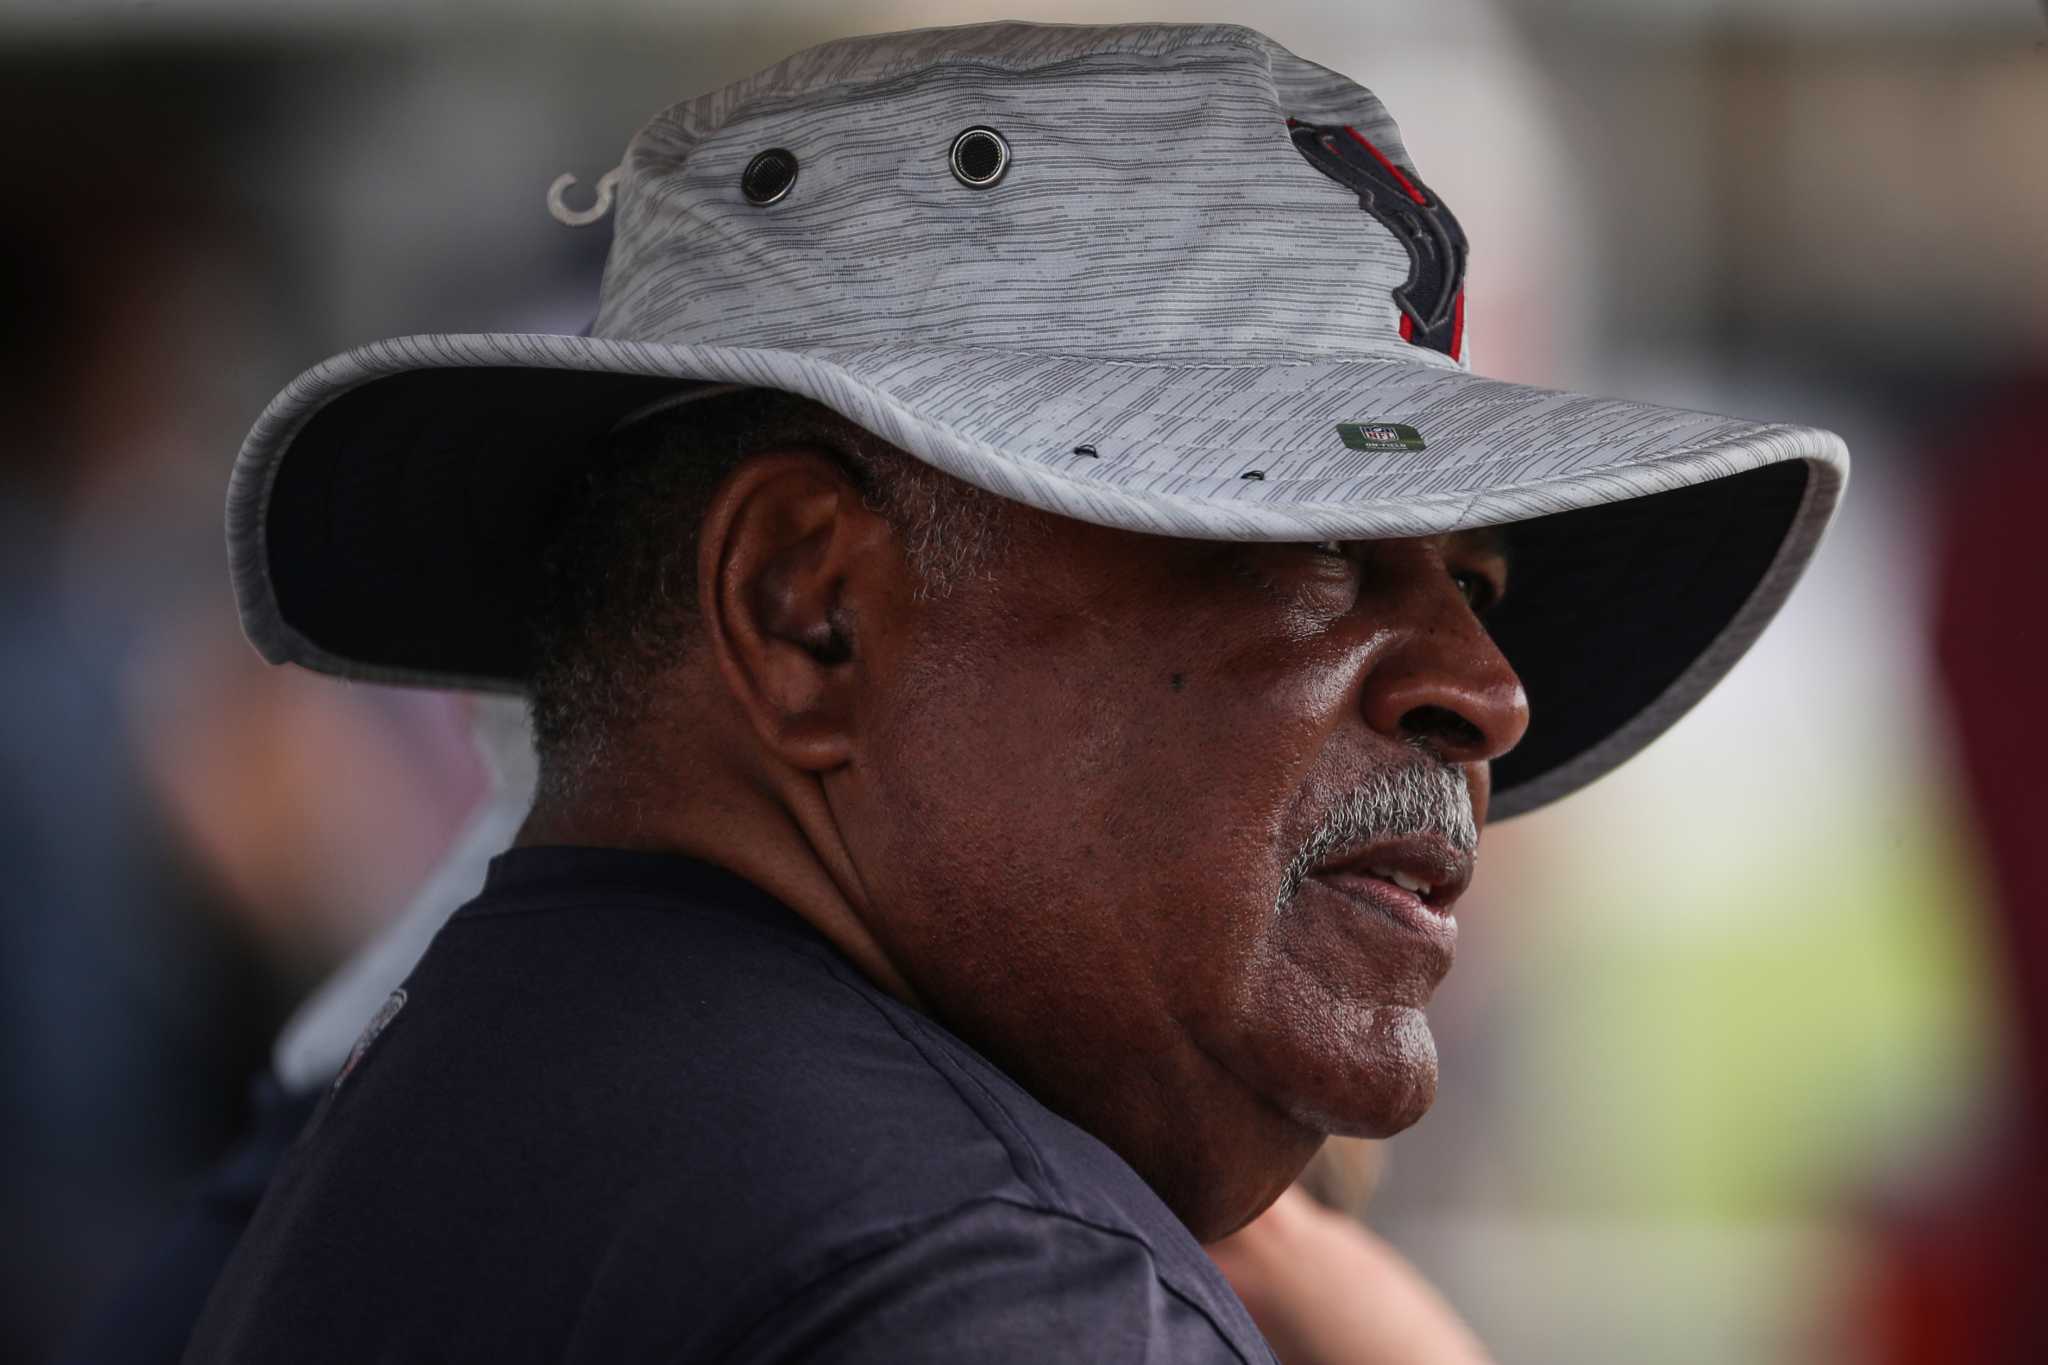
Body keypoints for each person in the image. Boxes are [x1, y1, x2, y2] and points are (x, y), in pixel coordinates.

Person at [186, 20, 1847, 1362]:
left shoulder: (502, 1105)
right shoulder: (985, 1285)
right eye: (1317, 544)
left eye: (1475, 585)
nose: (1487, 694)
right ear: (806, 607)